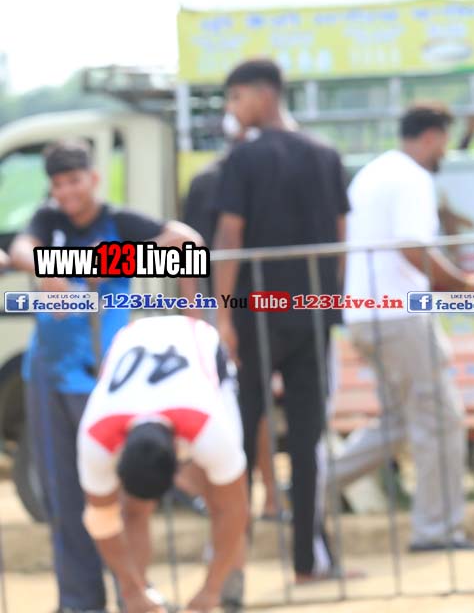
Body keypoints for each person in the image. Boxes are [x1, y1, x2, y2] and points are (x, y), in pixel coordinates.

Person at [7, 140, 200, 613]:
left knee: (122, 495)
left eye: (74, 180)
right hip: (50, 376)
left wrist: (193, 315)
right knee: (62, 498)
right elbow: (21, 248)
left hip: (106, 381)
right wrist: (50, 274)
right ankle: (79, 601)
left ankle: (134, 593)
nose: (67, 192)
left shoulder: (120, 222)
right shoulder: (47, 221)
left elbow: (188, 244)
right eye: (58, 184)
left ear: (93, 179)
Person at [212, 58, 353, 584]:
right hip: (313, 312)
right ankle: (307, 562)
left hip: (257, 313)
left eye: (236, 97)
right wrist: (332, 301)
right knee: (307, 440)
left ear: (263, 94)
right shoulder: (326, 154)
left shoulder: (243, 157)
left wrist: (223, 315)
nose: (233, 109)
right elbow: (340, 237)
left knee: (242, 438)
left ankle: (233, 564)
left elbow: (230, 235)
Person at [337, 104, 474, 550]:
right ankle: (436, 530)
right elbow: (412, 247)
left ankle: (311, 486)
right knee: (440, 420)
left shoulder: (374, 173)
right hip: (399, 316)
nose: (444, 152)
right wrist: (465, 285)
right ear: (433, 136)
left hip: (366, 313)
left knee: (398, 422)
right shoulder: (411, 177)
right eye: (444, 142)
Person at [77, 315, 249, 613]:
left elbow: (237, 508)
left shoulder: (208, 426)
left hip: (198, 344)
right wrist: (131, 590)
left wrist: (209, 591)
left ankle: (225, 588)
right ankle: (137, 598)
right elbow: (100, 519)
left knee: (218, 497)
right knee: (132, 510)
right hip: (134, 339)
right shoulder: (96, 436)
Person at [182, 112, 285, 523]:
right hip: (221, 308)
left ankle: (266, 496)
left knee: (253, 404)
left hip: (255, 306)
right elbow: (188, 251)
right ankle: (232, 496)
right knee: (231, 405)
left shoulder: (256, 178)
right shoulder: (209, 181)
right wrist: (196, 312)